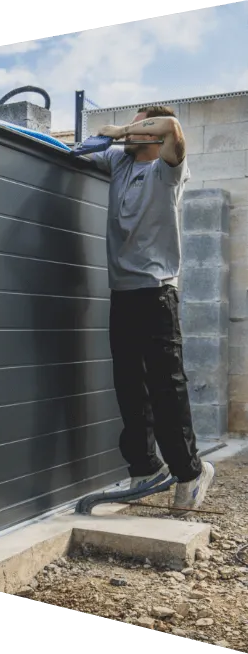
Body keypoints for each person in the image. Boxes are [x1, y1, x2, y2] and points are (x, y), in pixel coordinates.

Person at [85, 105, 214, 512]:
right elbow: (73, 152)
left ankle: (191, 471)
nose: (133, 131)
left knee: (164, 385)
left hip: (156, 291)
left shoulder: (168, 170)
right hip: (121, 291)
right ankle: (145, 466)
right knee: (128, 384)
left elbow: (173, 127)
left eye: (143, 124)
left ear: (152, 133)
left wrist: (126, 127)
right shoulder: (118, 161)